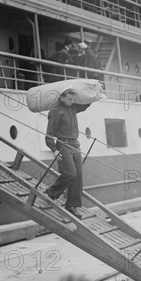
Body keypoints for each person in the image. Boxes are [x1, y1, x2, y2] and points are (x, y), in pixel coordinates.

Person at [44, 89, 91, 218]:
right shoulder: (55, 111)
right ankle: (52, 192)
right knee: (70, 173)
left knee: (78, 176)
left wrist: (94, 96)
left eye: (73, 99)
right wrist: (54, 150)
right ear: (62, 98)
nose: (72, 101)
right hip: (63, 145)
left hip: (75, 145)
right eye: (70, 99)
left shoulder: (72, 107)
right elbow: (49, 134)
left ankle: (71, 205)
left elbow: (84, 106)